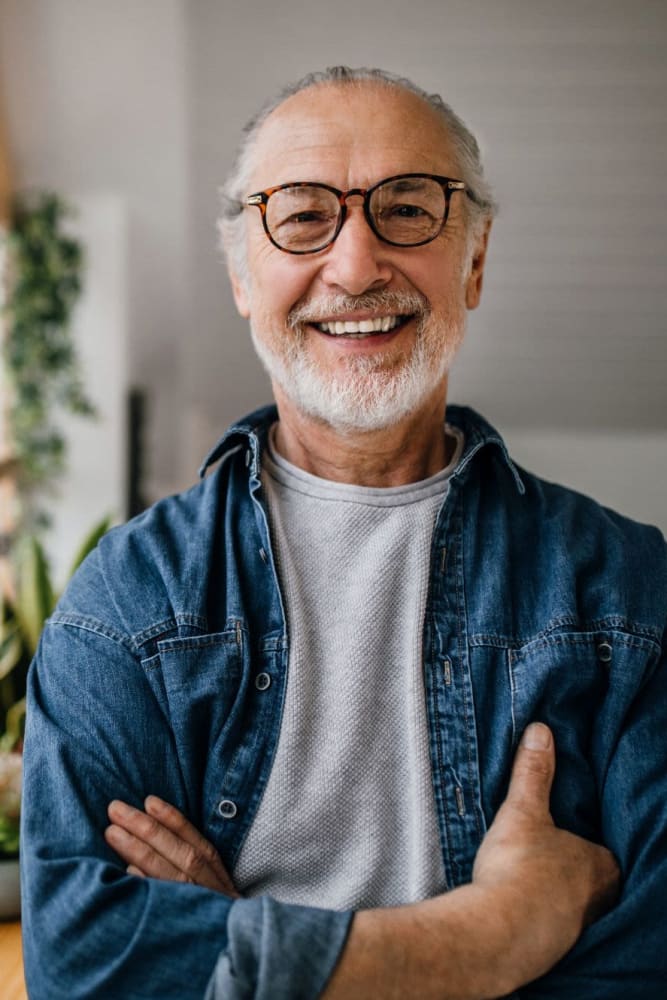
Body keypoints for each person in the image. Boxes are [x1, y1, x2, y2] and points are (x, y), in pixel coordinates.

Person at [20, 66, 665, 999]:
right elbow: (84, 967)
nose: (357, 265)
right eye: (302, 214)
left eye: (407, 208)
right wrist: (489, 937)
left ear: (474, 262)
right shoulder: (129, 602)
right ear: (244, 275)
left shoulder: (626, 591)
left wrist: (246, 946)